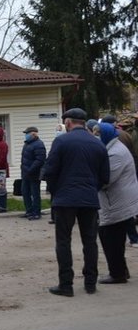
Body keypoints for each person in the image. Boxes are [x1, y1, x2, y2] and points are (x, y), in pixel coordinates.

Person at [42, 108, 109, 297]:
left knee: (63, 241)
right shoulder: (98, 145)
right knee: (90, 241)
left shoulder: (62, 141)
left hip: (65, 199)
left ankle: (66, 284)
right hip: (89, 198)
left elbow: (49, 170)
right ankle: (90, 283)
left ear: (69, 122)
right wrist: (90, 188)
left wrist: (56, 190)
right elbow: (105, 176)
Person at [95, 122, 138, 284]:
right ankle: (121, 270)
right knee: (114, 237)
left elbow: (106, 180)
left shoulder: (115, 153)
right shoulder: (112, 148)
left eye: (98, 134)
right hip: (118, 201)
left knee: (110, 237)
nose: (96, 137)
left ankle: (117, 273)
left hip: (118, 202)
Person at [21, 126, 46, 220]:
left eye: (27, 133)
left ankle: (36, 212)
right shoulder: (27, 144)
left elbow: (40, 160)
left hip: (34, 173)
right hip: (25, 173)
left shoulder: (39, 144)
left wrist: (30, 169)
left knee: (35, 194)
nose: (26, 135)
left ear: (33, 134)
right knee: (25, 192)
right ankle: (29, 211)